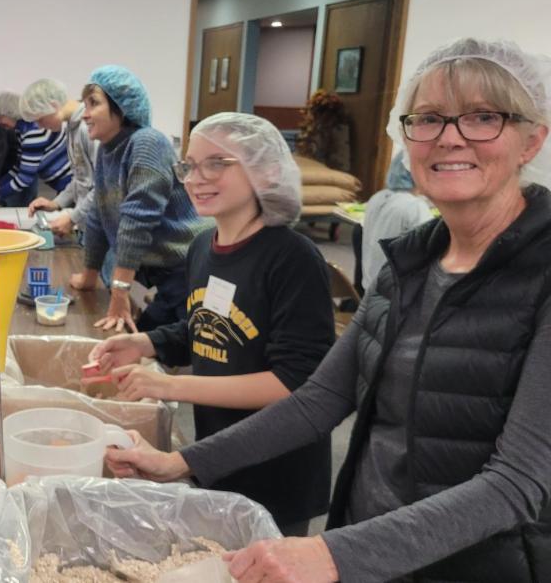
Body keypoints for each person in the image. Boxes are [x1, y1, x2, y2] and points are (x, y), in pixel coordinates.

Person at [103, 38, 551, 583]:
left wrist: (336, 554)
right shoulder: (407, 265)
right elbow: (319, 400)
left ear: (532, 139)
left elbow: (518, 483)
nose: (449, 137)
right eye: (429, 118)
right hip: (371, 546)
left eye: (483, 117)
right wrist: (182, 462)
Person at [88, 113, 333, 536]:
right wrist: (145, 344)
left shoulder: (292, 259)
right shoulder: (203, 245)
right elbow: (205, 326)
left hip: (277, 468)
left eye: (217, 163)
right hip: (217, 454)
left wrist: (169, 386)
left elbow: (294, 383)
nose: (196, 178)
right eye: (189, 165)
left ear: (265, 169)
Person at [69, 66, 209, 332]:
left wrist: (119, 292)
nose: (85, 114)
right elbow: (98, 215)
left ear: (122, 108)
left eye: (94, 103)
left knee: (169, 341)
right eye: (84, 105)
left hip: (189, 267)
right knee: (141, 334)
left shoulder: (147, 143)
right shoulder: (107, 149)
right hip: (159, 270)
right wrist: (89, 275)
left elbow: (137, 221)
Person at [22, 79, 96, 238]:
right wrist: (56, 203)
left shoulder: (88, 128)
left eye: (40, 119)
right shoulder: (71, 127)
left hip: (101, 227)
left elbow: (102, 186)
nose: (39, 126)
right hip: (88, 225)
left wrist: (72, 218)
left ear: (53, 105)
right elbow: (80, 178)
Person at [0, 79, 74, 209]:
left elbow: (25, 178)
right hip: (68, 186)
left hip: (70, 185)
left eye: (0, 117)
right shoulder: (22, 129)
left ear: (10, 113)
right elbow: (20, 166)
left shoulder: (33, 132)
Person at [361, 153, 433, 291]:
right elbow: (433, 250)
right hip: (398, 293)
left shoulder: (377, 198)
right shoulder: (414, 207)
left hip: (370, 288)